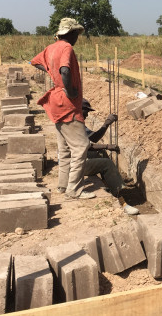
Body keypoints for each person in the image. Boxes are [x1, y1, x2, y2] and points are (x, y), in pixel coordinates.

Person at [31, 18, 95, 199]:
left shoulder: (51, 48)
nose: (77, 38)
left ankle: (63, 184)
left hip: (56, 102)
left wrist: (52, 72)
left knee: (65, 148)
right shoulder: (66, 48)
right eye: (76, 34)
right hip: (67, 104)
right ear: (71, 33)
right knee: (81, 146)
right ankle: (74, 189)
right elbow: (65, 70)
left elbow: (34, 62)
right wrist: (71, 89)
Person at [67, 99, 139, 215]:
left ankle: (110, 183)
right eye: (86, 112)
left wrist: (106, 147)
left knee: (100, 153)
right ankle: (120, 197)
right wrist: (106, 124)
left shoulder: (72, 121)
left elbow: (89, 142)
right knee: (107, 163)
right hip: (74, 165)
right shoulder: (76, 125)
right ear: (79, 110)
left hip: (73, 160)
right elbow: (92, 140)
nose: (87, 115)